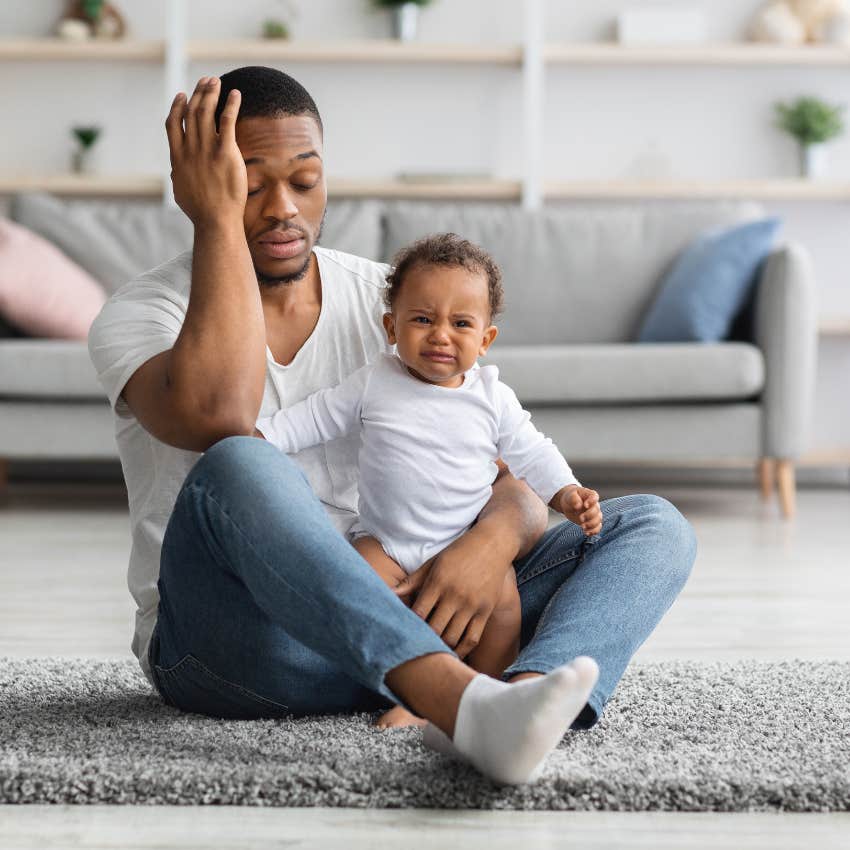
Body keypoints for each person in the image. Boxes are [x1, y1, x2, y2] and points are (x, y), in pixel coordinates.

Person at [87, 65, 697, 787]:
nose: (282, 208)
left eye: (304, 181)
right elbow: (223, 416)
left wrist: (491, 545)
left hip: (415, 607)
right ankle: (457, 698)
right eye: (250, 185)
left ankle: (518, 702)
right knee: (240, 462)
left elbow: (498, 467)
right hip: (247, 647)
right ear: (202, 183)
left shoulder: (398, 303)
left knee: (653, 525)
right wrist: (215, 220)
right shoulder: (141, 315)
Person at [254, 232, 605, 731]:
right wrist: (259, 437)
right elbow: (313, 418)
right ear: (391, 327)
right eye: (423, 319)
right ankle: (416, 698)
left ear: (485, 340)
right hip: (386, 543)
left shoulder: (491, 397)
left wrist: (567, 493)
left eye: (461, 324)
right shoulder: (375, 381)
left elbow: (532, 451)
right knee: (361, 595)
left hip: (465, 544)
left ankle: (487, 697)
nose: (441, 334)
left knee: (502, 609)